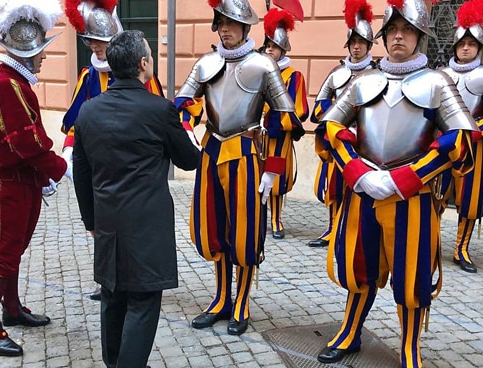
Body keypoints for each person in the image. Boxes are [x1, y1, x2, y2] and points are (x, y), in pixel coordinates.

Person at [315, 0, 479, 367]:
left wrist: (406, 177)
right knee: (360, 269)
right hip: (364, 192)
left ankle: (409, 347)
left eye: (406, 30)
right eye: (392, 31)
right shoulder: (363, 80)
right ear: (384, 36)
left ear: (419, 35)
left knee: (411, 278)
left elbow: (461, 140)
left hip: (413, 198)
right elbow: (331, 129)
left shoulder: (438, 81)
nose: (398, 37)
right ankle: (348, 332)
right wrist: (358, 172)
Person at [174, 0, 305, 336]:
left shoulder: (263, 65)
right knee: (214, 229)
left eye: (231, 23)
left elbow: (284, 122)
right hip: (211, 151)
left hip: (247, 154)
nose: (225, 29)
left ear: (246, 28)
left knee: (244, 235)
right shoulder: (205, 63)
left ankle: (242, 302)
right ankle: (220, 299)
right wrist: (187, 125)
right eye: (220, 22)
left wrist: (273, 168)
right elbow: (183, 103)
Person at [73, 30, 200, 368]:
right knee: (142, 304)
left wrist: (90, 222)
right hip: (147, 226)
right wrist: (192, 130)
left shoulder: (89, 111)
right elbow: (189, 160)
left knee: (113, 298)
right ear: (144, 63)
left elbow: (81, 175)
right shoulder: (160, 110)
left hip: (109, 223)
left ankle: (113, 362)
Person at [0, 0, 71, 356]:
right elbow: (24, 142)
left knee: (14, 249)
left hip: (20, 179)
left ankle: (12, 309)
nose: (44, 57)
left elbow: (28, 140)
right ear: (27, 52)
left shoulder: (17, 82)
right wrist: (59, 167)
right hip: (7, 182)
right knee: (4, 253)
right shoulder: (7, 86)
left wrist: (44, 172)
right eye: (41, 52)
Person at [63, 0, 165, 301]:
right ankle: (107, 280)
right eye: (91, 42)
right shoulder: (88, 77)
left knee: (134, 226)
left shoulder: (142, 76)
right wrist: (69, 153)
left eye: (100, 42)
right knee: (102, 226)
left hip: (134, 166)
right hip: (100, 167)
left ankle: (139, 276)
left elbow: (158, 116)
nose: (95, 47)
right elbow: (75, 122)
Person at [308, 0, 376, 248]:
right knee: (335, 186)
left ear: (369, 45)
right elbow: (318, 107)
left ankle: (355, 229)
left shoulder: (377, 74)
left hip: (366, 141)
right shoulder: (337, 73)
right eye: (353, 42)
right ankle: (332, 228)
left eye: (361, 43)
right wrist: (336, 116)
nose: (357, 47)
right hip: (338, 138)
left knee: (360, 186)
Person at [438, 0, 483, 274]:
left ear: (479, 47)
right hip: (445, 142)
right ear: (455, 47)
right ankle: (430, 240)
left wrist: (478, 128)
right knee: (436, 193)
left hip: (475, 145)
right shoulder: (441, 74)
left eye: (471, 43)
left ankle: (461, 247)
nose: (466, 47)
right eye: (462, 44)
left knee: (469, 199)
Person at [262, 7, 309, 239]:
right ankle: (258, 217)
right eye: (267, 45)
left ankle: (276, 219)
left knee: (277, 178)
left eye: (273, 46)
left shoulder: (293, 76)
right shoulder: (258, 71)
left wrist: (273, 118)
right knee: (255, 175)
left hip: (279, 135)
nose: (269, 49)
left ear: (282, 49)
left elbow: (298, 109)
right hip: (258, 135)